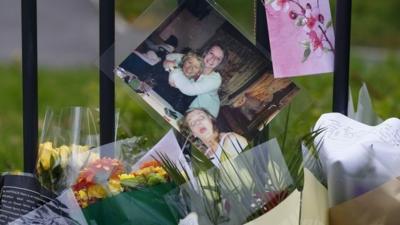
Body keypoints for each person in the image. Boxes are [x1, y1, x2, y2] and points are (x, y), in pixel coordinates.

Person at [164, 44, 226, 118]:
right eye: (211, 53)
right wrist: (169, 63)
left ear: (220, 63)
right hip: (185, 107)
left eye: (218, 58)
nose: (212, 59)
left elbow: (188, 89)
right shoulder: (197, 62)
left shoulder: (215, 80)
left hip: (205, 116)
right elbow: (170, 57)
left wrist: (173, 68)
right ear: (206, 52)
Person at [180, 108, 248, 167]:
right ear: (193, 133)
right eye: (193, 123)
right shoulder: (205, 157)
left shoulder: (231, 140)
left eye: (201, 117)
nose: (198, 122)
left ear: (211, 120)